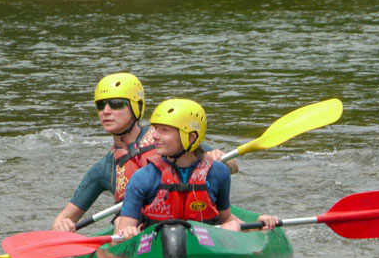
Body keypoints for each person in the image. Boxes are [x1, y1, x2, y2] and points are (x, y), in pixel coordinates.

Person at [51, 73, 236, 231]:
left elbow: (233, 167)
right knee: (118, 223)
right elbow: (63, 219)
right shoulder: (105, 168)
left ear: (136, 106)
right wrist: (62, 225)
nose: (106, 112)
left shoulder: (169, 137)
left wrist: (219, 159)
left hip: (192, 214)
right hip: (136, 228)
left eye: (115, 104)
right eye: (101, 105)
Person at [114, 98, 279, 240]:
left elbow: (226, 218)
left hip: (205, 244)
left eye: (164, 130)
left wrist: (258, 226)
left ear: (191, 137)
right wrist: (127, 232)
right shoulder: (143, 177)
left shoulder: (218, 173)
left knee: (233, 226)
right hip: (157, 244)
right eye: (155, 129)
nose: (154, 135)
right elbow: (119, 237)